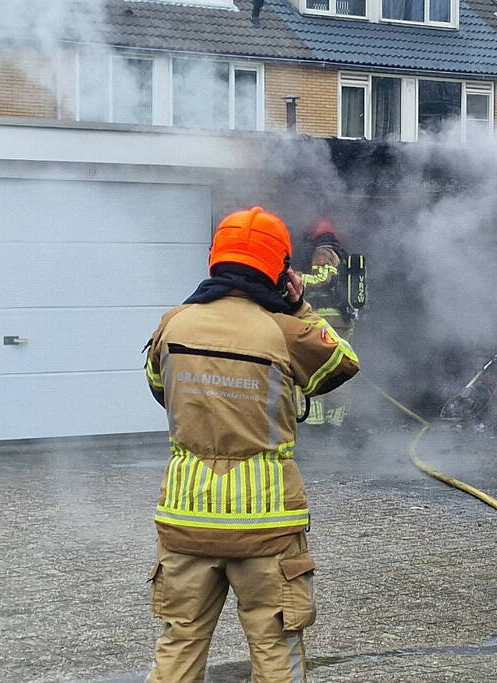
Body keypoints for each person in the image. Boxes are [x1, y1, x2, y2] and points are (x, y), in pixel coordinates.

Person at [143, 206, 359, 682]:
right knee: (275, 648)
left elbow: (161, 390)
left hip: (185, 517)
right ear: (279, 270)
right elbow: (342, 364)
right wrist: (299, 308)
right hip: (267, 524)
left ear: (214, 260)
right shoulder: (284, 331)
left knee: (179, 641)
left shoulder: (174, 325)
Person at [300, 219, 357, 427]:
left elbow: (322, 279)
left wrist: (296, 279)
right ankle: (336, 421)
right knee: (340, 368)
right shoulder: (343, 258)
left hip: (324, 321)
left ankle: (314, 422)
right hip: (342, 322)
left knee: (315, 367)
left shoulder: (323, 252)